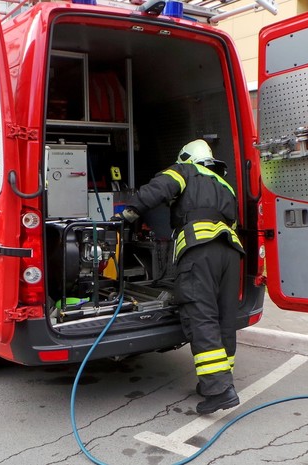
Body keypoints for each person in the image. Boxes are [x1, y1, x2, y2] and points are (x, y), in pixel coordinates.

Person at [112, 139, 244, 415]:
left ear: (186, 158)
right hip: (230, 252)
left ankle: (219, 389)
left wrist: (127, 214)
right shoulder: (224, 183)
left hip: (200, 248)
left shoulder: (184, 171)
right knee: (224, 315)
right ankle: (219, 380)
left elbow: (158, 190)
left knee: (201, 313)